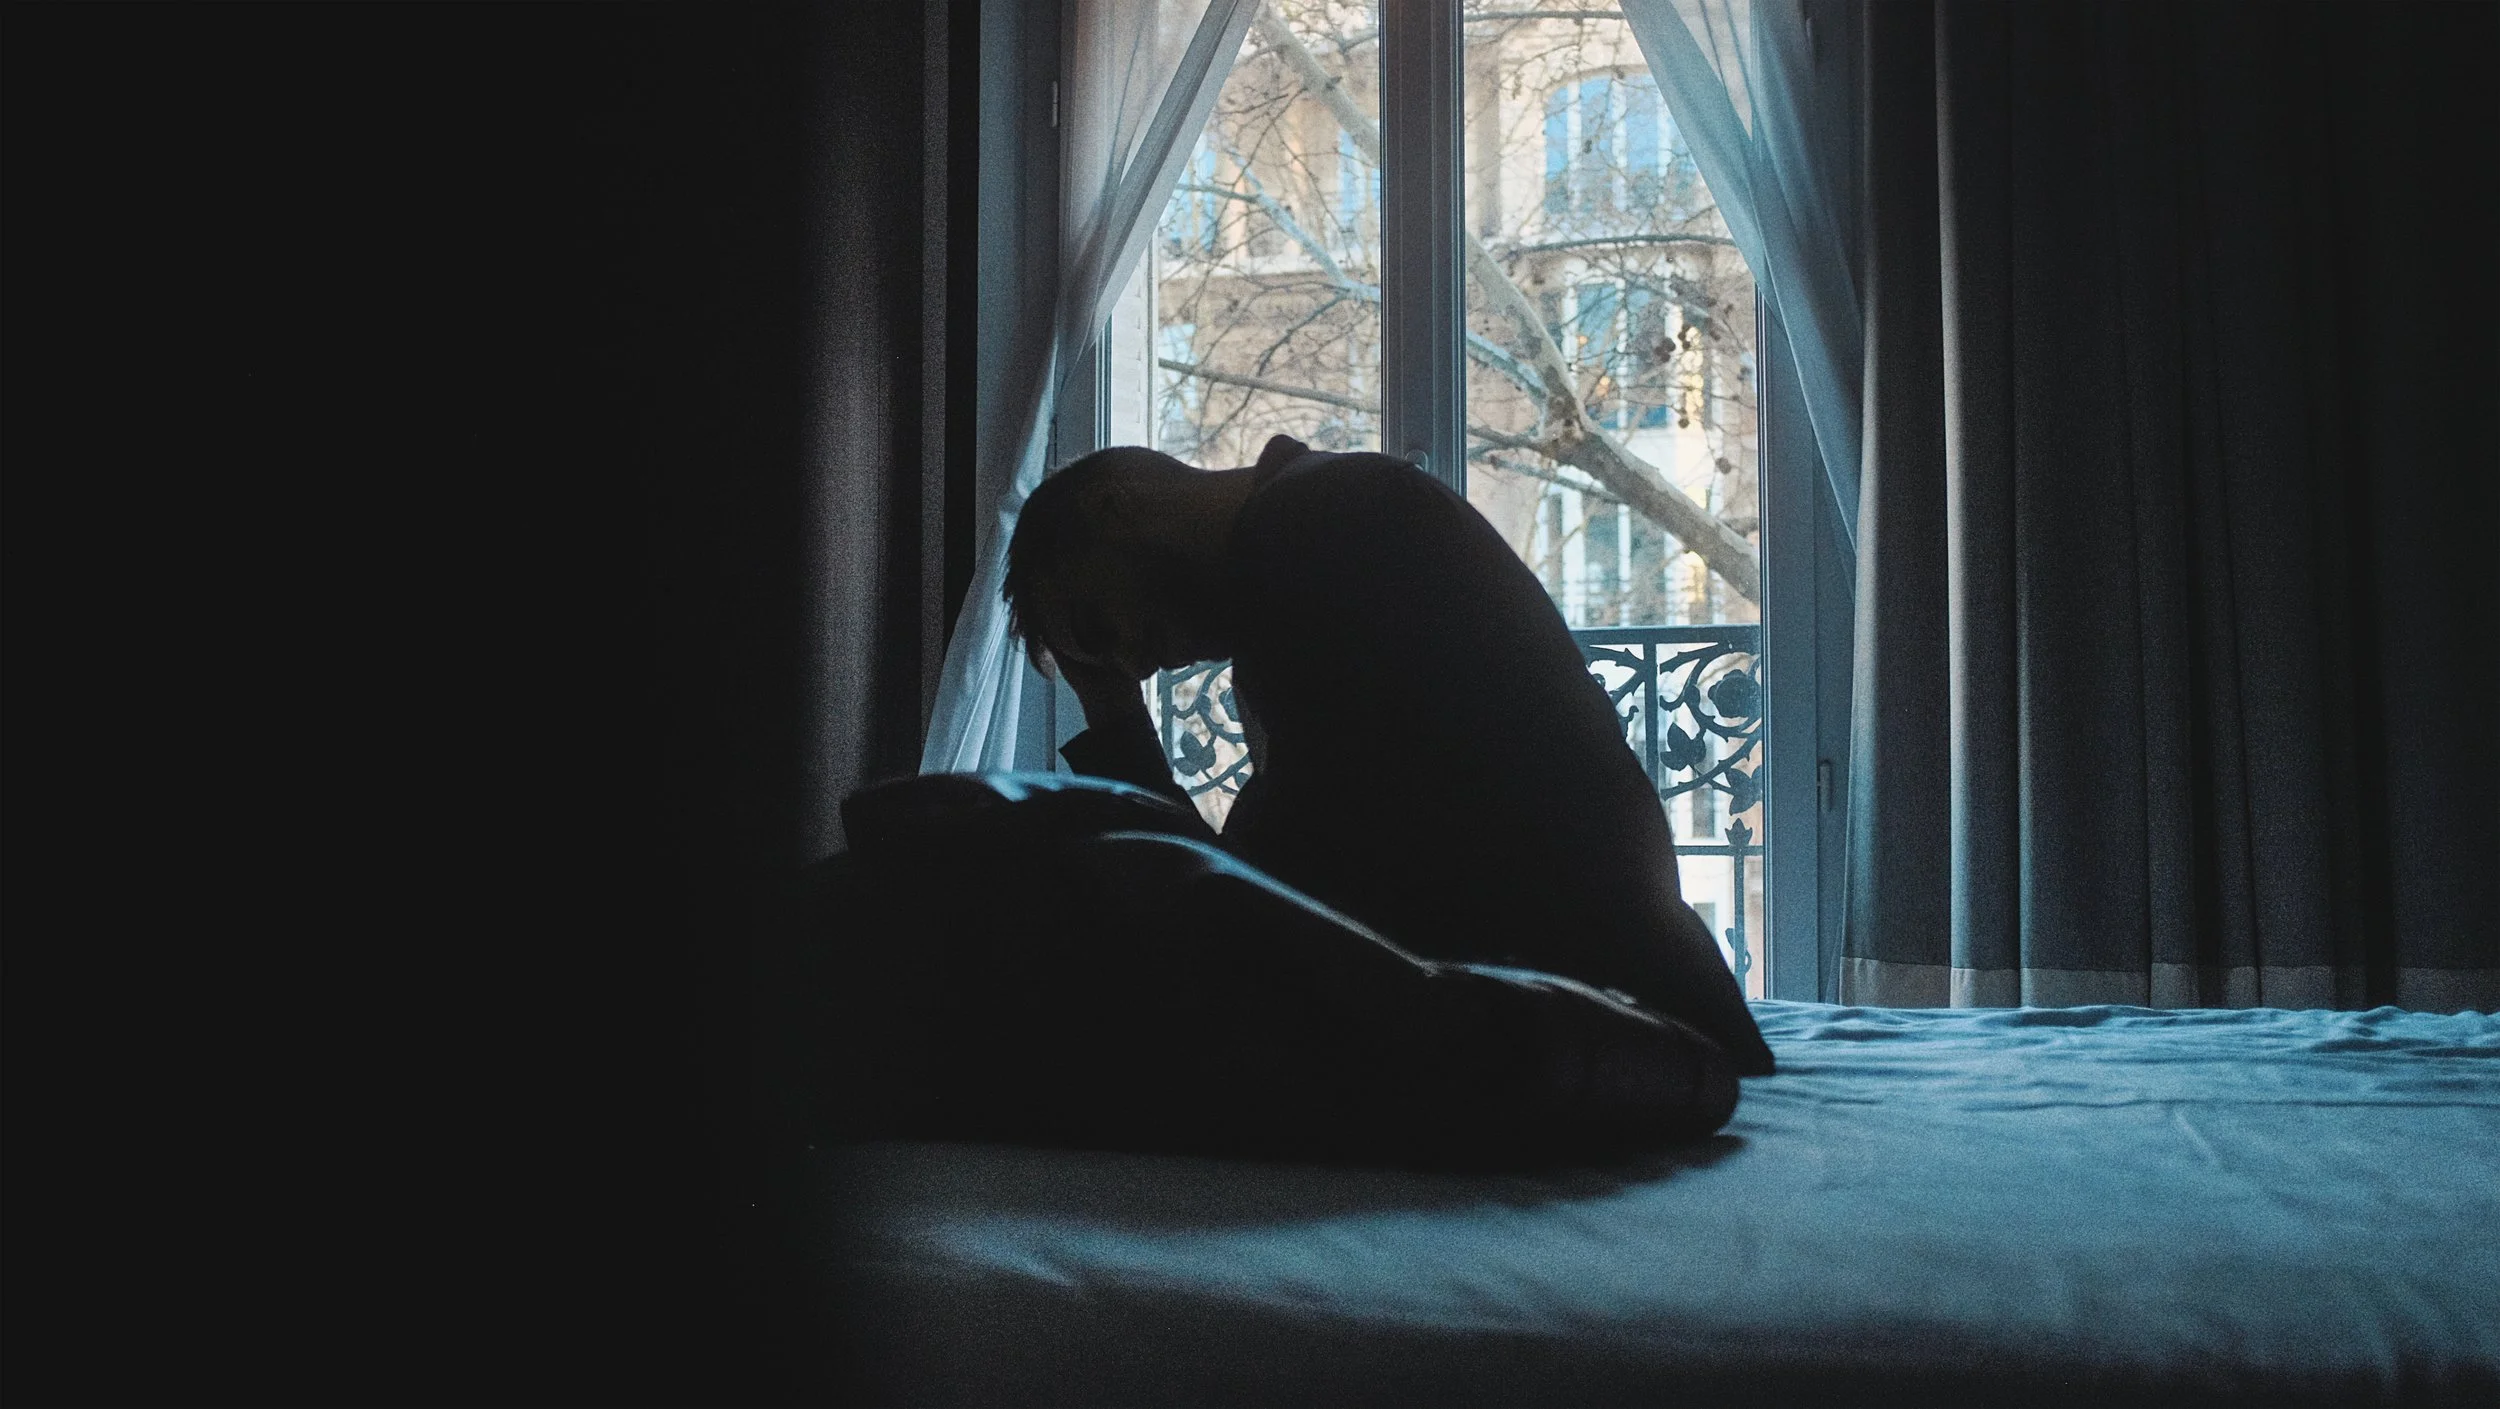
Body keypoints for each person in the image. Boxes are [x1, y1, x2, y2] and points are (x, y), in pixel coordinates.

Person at [1004, 433, 1774, 1078]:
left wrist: (1116, 728)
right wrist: (1109, 711)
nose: (1132, 665)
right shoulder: (1323, 518)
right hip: (1622, 1017)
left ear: (1112, 506)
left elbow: (1244, 919)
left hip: (1604, 1037)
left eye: (1098, 629)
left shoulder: (1310, 535)